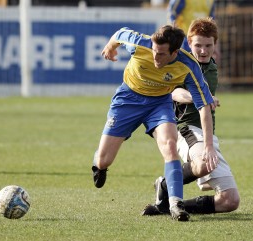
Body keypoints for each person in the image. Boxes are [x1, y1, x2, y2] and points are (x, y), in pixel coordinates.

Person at [92, 24, 219, 222]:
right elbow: (119, 33)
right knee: (104, 159)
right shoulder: (140, 43)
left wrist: (209, 146)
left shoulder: (189, 66)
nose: (154, 57)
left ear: (175, 52)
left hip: (159, 104)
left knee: (170, 145)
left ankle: (176, 203)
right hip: (128, 100)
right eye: (153, 51)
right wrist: (110, 46)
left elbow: (204, 107)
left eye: (160, 54)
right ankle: (99, 166)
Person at [142, 17, 240, 216]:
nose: (203, 51)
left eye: (208, 45)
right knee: (203, 163)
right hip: (185, 128)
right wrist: (201, 98)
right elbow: (174, 93)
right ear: (188, 43)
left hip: (206, 132)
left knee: (230, 200)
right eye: (198, 45)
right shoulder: (180, 63)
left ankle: (169, 203)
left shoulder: (211, 66)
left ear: (215, 45)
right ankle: (167, 185)